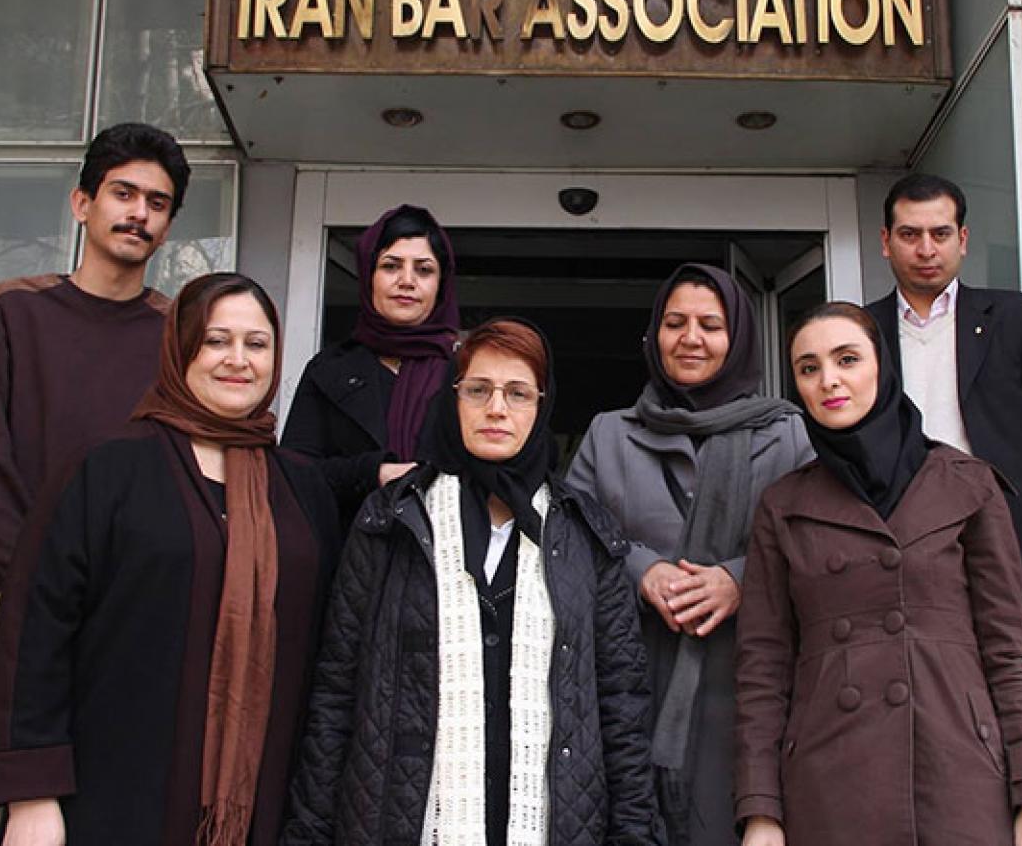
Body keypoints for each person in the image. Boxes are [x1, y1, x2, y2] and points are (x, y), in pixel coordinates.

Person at [0, 273, 340, 846]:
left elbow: (327, 658)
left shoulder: (302, 490)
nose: (238, 360)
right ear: (180, 349)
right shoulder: (108, 469)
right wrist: (32, 796)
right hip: (112, 794)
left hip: (264, 807)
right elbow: (36, 634)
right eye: (216, 341)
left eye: (257, 344)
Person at [283, 318, 665, 846]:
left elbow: (621, 708)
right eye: (478, 390)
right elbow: (335, 696)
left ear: (542, 407)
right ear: (452, 398)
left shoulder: (586, 534)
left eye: (518, 393)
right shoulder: (391, 521)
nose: (497, 409)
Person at [0, 121, 190, 845]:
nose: (139, 213)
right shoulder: (13, 310)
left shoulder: (177, 338)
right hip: (5, 603)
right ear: (82, 203)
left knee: (97, 817)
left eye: (157, 203)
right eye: (123, 193)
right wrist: (46, 583)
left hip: (121, 619)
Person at [735, 302, 1022, 846]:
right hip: (828, 785)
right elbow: (763, 668)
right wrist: (761, 812)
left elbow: (1009, 650)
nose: (829, 380)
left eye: (847, 359)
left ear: (882, 365)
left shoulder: (968, 485)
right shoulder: (783, 505)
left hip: (958, 776)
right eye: (808, 368)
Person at [566, 264, 812, 846]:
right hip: (628, 682)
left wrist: (739, 579)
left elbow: (819, 543)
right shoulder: (608, 434)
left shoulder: (790, 435)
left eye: (711, 325)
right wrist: (641, 570)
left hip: (746, 686)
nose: (691, 338)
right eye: (675, 323)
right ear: (654, 336)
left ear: (739, 339)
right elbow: (570, 536)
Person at [865, 173, 1022, 731]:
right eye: (910, 234)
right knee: (917, 725)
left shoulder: (1020, 320)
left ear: (963, 238)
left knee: (1019, 720)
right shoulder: (861, 330)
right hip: (896, 549)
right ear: (885, 241)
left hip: (1002, 547)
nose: (926, 249)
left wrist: (1004, 509)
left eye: (940, 233)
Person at [281, 203, 459, 528]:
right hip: (347, 549)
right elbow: (294, 475)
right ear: (368, 276)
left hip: (446, 553)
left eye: (424, 270)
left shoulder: (469, 374)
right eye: (391, 266)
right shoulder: (328, 370)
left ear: (441, 284)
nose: (407, 281)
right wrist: (373, 472)